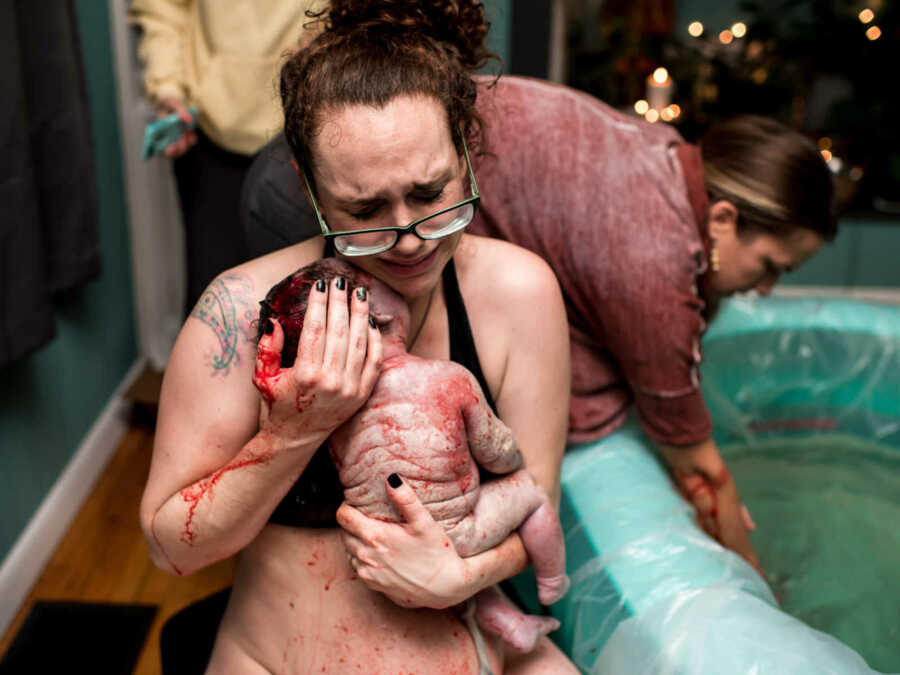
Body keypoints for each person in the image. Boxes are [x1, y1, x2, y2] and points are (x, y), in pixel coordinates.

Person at [240, 77, 837, 577]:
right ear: (725, 217)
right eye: (769, 267)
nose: (765, 289)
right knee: (351, 417)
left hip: (349, 155)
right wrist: (754, 569)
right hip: (314, 184)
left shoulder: (667, 157)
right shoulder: (653, 259)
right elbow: (698, 463)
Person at [140, 1, 577, 672]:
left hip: (475, 647)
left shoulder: (521, 293)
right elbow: (172, 548)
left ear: (464, 146)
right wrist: (292, 432)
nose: (407, 237)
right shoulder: (239, 308)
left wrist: (463, 577)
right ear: (308, 185)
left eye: (430, 193)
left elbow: (535, 496)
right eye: (364, 209)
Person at [258, 257, 571, 654]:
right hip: (460, 537)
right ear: (386, 319)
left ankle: (504, 619)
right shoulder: (448, 378)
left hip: (381, 555)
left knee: (445, 560)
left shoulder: (328, 413)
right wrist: (508, 463)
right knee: (530, 495)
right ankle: (553, 582)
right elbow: (498, 453)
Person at [127, 0, 324, 315]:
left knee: (306, 307)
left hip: (310, 135)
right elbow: (161, 8)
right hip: (211, 138)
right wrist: (168, 88)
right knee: (211, 305)